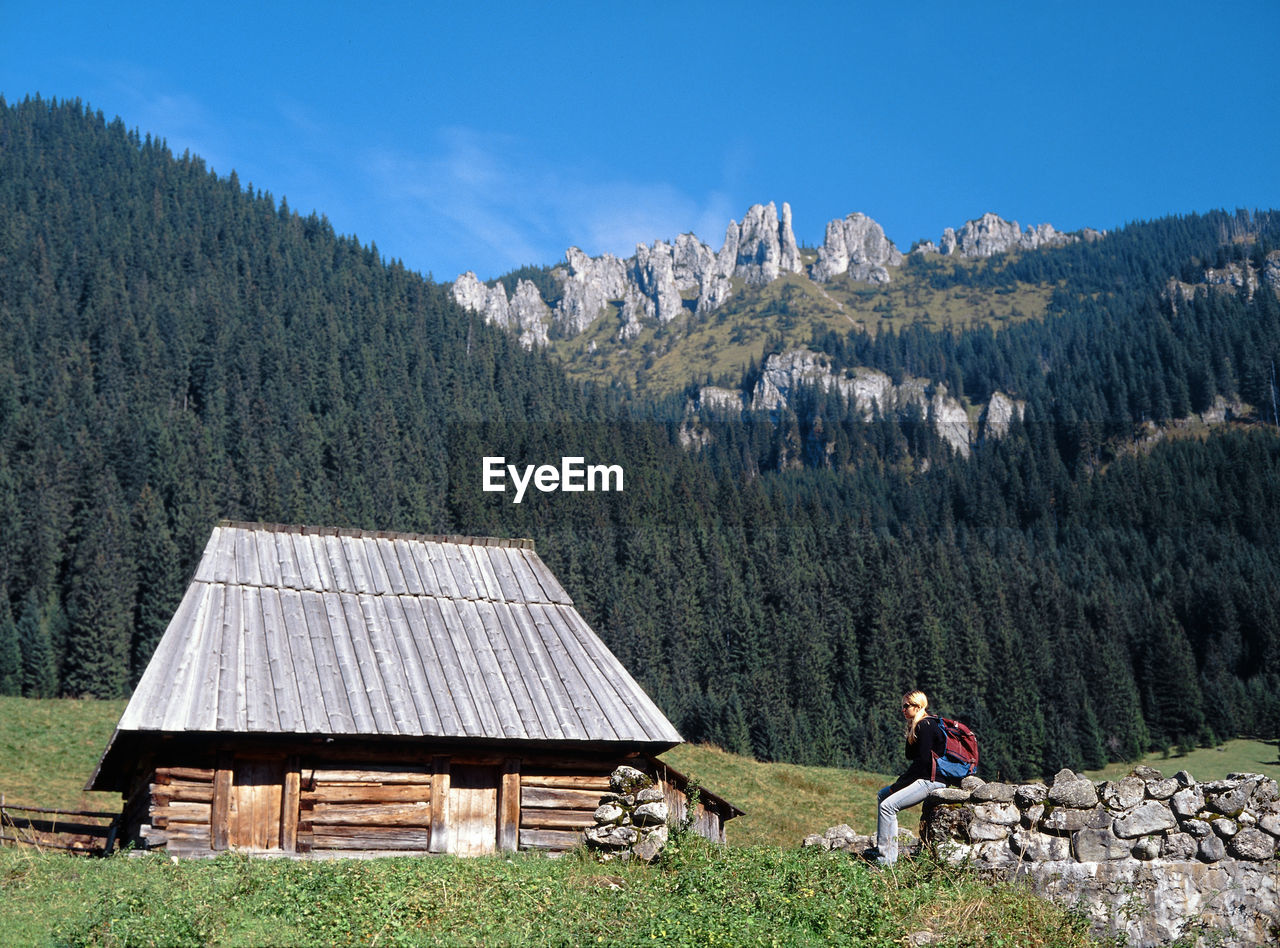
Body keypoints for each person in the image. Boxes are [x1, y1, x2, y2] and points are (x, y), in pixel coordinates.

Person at [872, 690, 949, 867]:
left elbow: (922, 764)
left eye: (907, 706)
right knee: (882, 795)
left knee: (887, 807)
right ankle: (885, 852)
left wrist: (898, 785)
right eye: (903, 706)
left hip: (931, 780)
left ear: (918, 706)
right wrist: (910, 729)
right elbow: (910, 756)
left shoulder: (926, 726)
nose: (903, 709)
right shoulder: (919, 726)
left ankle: (886, 862)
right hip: (925, 777)